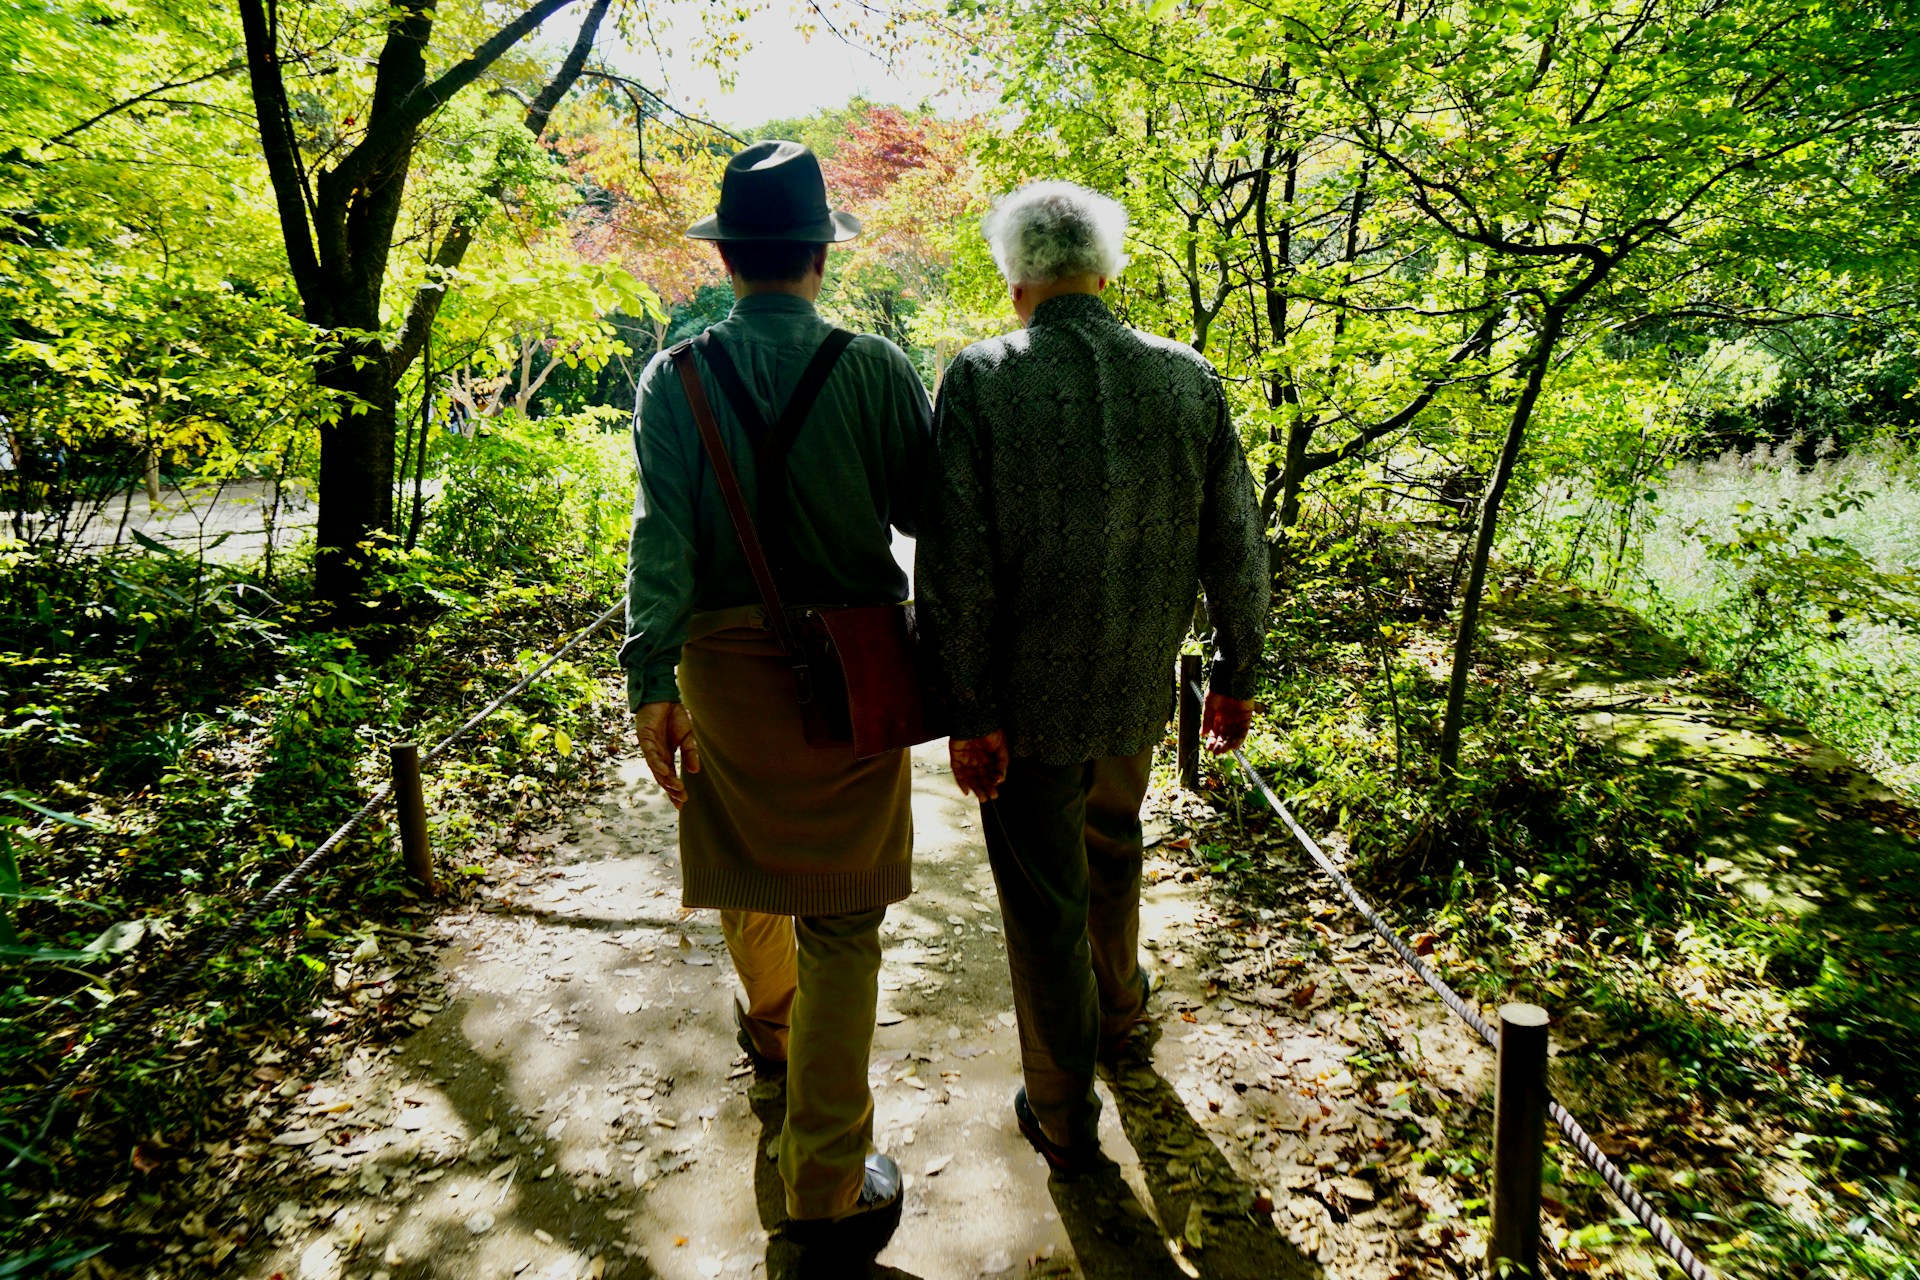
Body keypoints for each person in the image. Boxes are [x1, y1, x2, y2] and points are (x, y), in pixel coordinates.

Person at [918, 180, 1270, 1175]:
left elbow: (954, 563)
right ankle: (1122, 1006)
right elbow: (1237, 541)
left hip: (1024, 703)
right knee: (1115, 842)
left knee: (1043, 899)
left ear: (1015, 278)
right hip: (1136, 689)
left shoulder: (984, 378)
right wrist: (1241, 669)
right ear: (1107, 273)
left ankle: (1065, 1110)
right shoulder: (1187, 377)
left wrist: (967, 708)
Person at [619, 140, 930, 1261]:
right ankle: (827, 1182)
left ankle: (769, 1032)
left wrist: (648, 676)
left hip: (723, 665)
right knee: (845, 917)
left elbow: (662, 534)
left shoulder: (676, 376)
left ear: (733, 255)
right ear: (817, 255)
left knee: (751, 864)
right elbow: (925, 512)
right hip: (852, 666)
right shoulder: (880, 368)